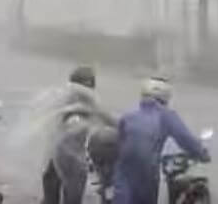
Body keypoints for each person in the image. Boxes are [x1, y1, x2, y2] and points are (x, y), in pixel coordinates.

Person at [112, 76, 209, 204]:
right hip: (147, 172)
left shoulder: (128, 116)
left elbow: (118, 142)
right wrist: (202, 154)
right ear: (166, 95)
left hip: (123, 172)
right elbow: (186, 139)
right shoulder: (166, 116)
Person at [42, 65, 117, 204]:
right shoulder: (86, 102)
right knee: (63, 188)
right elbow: (110, 120)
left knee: (58, 186)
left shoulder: (68, 100)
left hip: (69, 154)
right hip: (70, 155)